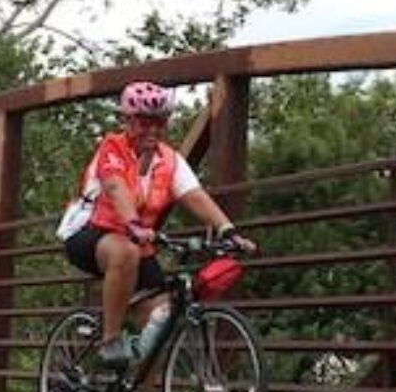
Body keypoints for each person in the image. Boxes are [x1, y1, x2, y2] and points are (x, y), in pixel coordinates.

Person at [59, 80, 256, 369]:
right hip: (89, 233)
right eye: (144, 122)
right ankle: (110, 341)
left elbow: (195, 195)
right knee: (125, 252)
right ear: (128, 120)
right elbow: (115, 187)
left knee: (161, 322)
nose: (152, 130)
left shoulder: (169, 160)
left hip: (136, 242)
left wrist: (229, 231)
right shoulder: (112, 148)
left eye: (159, 122)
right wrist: (133, 223)